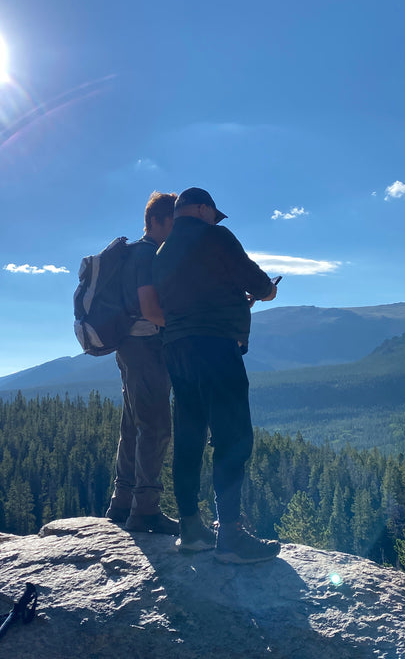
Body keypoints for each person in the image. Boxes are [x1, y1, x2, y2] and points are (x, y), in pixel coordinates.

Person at [152, 187, 281, 563]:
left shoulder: (162, 253)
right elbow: (258, 284)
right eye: (213, 212)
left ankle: (191, 529)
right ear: (202, 209)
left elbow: (183, 298)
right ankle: (231, 538)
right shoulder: (217, 237)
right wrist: (268, 292)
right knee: (233, 436)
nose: (215, 219)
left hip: (176, 348)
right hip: (215, 346)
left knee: (189, 434)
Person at [106, 191, 179, 535]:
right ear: (156, 222)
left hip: (128, 347)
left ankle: (121, 503)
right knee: (157, 426)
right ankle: (145, 510)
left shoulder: (132, 253)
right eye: (173, 224)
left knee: (133, 424)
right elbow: (151, 311)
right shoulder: (149, 255)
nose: (176, 232)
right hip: (146, 347)